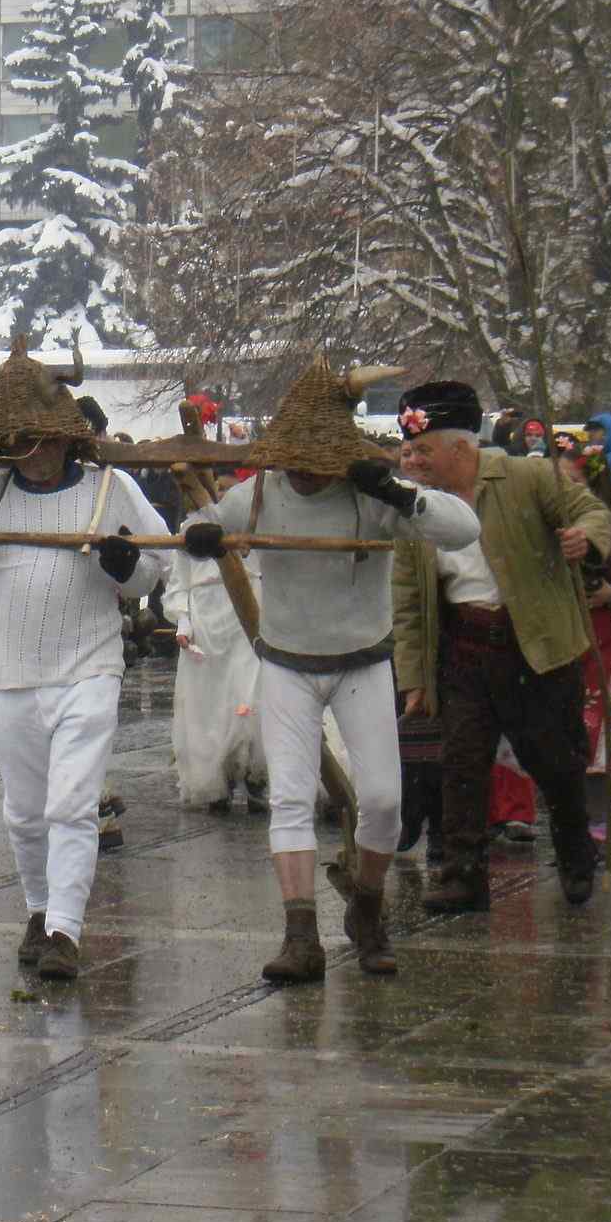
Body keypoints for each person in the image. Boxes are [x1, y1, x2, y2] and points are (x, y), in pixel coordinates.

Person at [183, 358, 479, 980]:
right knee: (290, 799)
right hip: (286, 665)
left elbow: (462, 529)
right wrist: (203, 536)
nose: (303, 471)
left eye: (315, 461)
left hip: (362, 663)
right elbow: (199, 525)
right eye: (293, 459)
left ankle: (366, 908)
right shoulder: (259, 494)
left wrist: (398, 491)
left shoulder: (371, 496)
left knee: (383, 802)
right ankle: (300, 935)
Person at [0, 341, 170, 981]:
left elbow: (156, 564)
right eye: (18, 442)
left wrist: (127, 566)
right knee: (25, 812)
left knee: (71, 807)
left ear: (64, 437)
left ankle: (65, 930)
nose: (31, 453)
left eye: (41, 440)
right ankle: (38, 910)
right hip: (10, 673)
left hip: (88, 668)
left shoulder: (111, 488)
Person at [390, 380, 611, 914]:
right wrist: (414, 679)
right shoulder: (414, 508)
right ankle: (463, 876)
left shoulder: (527, 476)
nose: (413, 461)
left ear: (459, 448)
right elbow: (408, 600)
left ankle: (576, 856)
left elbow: (594, 513)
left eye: (423, 449)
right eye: (409, 450)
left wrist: (584, 537)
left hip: (536, 646)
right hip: (465, 651)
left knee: (555, 763)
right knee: (462, 765)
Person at [162, 493, 268, 813]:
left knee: (249, 695)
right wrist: (183, 620)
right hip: (206, 619)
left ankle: (255, 775)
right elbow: (178, 583)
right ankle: (217, 779)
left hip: (247, 612)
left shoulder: (254, 517)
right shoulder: (190, 527)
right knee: (208, 704)